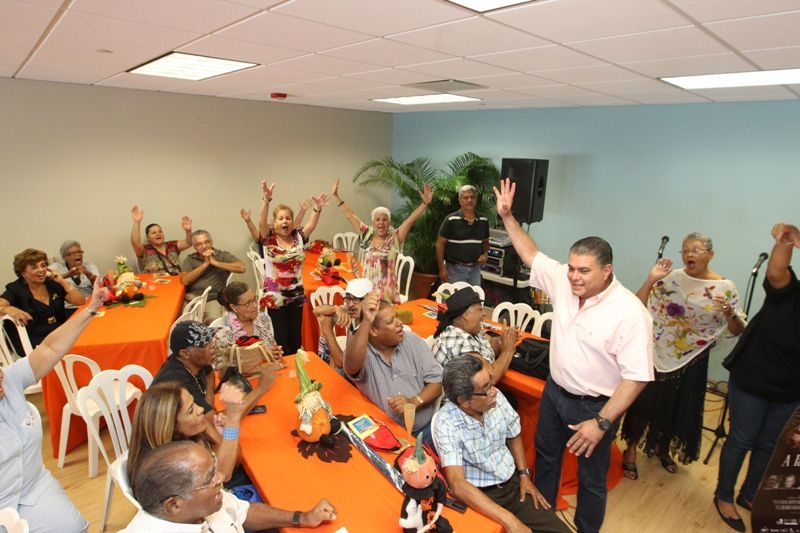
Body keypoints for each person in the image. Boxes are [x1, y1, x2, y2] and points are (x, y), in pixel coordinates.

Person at [493, 178, 654, 533]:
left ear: (607, 271)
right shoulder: (563, 283)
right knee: (546, 459)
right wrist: (507, 217)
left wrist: (602, 423)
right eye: (571, 268)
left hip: (595, 407)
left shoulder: (630, 313)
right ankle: (545, 522)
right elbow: (532, 254)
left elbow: (638, 377)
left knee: (591, 479)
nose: (574, 277)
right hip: (554, 394)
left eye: (583, 270)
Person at [620, 233, 745, 479]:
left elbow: (737, 329)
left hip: (693, 358)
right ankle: (631, 449)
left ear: (710, 254)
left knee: (679, 406)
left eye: (695, 250)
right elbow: (637, 306)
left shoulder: (725, 288)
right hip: (658, 352)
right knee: (644, 403)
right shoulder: (671, 279)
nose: (689, 254)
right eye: (685, 250)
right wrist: (650, 279)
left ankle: (663, 447)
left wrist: (730, 312)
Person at [713, 222, 800, 532]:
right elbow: (776, 272)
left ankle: (749, 494)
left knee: (768, 445)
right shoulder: (789, 294)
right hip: (753, 378)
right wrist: (786, 241)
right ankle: (724, 496)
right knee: (742, 439)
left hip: (789, 390)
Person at [0, 279, 105, 532]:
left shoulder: (10, 379)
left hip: (32, 485)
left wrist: (91, 308)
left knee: (73, 528)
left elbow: (49, 348)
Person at [432, 356, 570, 533]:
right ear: (463, 401)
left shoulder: (496, 398)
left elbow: (513, 434)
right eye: (485, 389)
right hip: (479, 496)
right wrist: (509, 520)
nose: (493, 392)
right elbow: (457, 484)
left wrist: (524, 475)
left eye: (490, 383)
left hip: (512, 485)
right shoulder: (445, 422)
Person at [122, 440, 337, 532]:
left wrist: (303, 518)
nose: (221, 478)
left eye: (214, 468)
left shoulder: (202, 502)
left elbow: (243, 511)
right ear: (174, 505)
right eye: (210, 477)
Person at [127, 381, 263, 493]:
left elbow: (235, 459)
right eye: (190, 410)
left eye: (195, 403)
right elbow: (222, 475)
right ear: (171, 427)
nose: (201, 409)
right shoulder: (172, 465)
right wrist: (233, 419)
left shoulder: (195, 429)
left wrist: (225, 435)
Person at [343, 292, 443, 444]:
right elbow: (350, 367)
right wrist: (366, 321)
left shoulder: (412, 341)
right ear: (373, 331)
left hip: (424, 431)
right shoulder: (363, 353)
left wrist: (414, 401)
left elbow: (437, 383)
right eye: (391, 321)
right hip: (384, 437)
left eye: (397, 316)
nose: (399, 323)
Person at [331, 177, 433, 304]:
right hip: (367, 291)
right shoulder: (366, 234)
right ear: (373, 223)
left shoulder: (394, 238)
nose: (381, 223)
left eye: (385, 219)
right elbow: (350, 215)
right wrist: (336, 196)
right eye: (377, 220)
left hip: (387, 294)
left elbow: (410, 220)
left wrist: (424, 204)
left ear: (389, 223)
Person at [257, 181, 328, 355]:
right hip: (275, 296)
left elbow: (311, 224)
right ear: (274, 223)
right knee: (281, 340)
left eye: (288, 218)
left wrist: (317, 209)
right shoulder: (269, 238)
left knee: (295, 339)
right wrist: (266, 199)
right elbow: (261, 221)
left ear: (292, 221)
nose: (285, 221)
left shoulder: (299, 236)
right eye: (280, 218)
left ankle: (296, 366)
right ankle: (285, 366)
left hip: (295, 294)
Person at [0, 248, 86, 352]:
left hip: (58, 332)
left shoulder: (52, 283)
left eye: (43, 265)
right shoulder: (16, 288)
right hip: (31, 339)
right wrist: (7, 309)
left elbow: (80, 302)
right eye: (34, 267)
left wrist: (62, 282)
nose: (41, 270)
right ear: (22, 273)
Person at [432, 286, 517, 385]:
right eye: (480, 310)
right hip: (468, 393)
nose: (484, 313)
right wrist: (508, 350)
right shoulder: (459, 342)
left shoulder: (471, 330)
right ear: (466, 315)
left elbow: (490, 343)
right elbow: (490, 377)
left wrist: (505, 339)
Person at [180, 230, 246, 323]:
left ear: (211, 242)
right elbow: (185, 280)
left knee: (214, 322)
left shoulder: (222, 255)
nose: (204, 246)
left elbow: (242, 267)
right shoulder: (190, 259)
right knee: (179, 320)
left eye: (206, 242)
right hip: (192, 297)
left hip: (212, 298)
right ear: (194, 247)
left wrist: (216, 263)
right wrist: (206, 264)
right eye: (199, 244)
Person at [312, 277, 372, 374]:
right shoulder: (352, 310)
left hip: (360, 377)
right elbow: (316, 311)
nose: (351, 304)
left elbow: (342, 363)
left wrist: (328, 330)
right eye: (348, 298)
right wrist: (335, 309)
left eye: (356, 299)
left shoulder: (371, 327)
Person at [436, 185, 490, 285]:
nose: (470, 200)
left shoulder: (483, 220)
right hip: (454, 270)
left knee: (474, 295)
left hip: (475, 270)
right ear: (460, 201)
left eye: (472, 197)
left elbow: (485, 242)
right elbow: (440, 244)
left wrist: (485, 254)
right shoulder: (451, 220)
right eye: (466, 197)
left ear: (476, 199)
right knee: (454, 295)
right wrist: (441, 268)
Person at [214, 281, 282, 361]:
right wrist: (260, 356)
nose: (255, 305)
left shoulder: (264, 318)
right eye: (247, 303)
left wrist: (276, 352)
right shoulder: (222, 330)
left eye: (254, 299)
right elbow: (223, 363)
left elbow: (272, 349)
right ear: (234, 307)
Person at [130, 205, 192, 274]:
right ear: (148, 237)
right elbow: (135, 243)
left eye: (160, 231)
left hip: (176, 279)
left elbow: (188, 243)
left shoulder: (172, 245)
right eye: (154, 233)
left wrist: (188, 231)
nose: (158, 234)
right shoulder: (145, 250)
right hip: (154, 280)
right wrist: (137, 222)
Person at [49, 240, 100, 311]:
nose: (78, 254)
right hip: (70, 308)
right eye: (73, 253)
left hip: (91, 304)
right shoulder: (57, 267)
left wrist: (88, 273)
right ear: (64, 257)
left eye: (79, 252)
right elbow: (45, 277)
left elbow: (100, 284)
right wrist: (67, 275)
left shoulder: (90, 266)